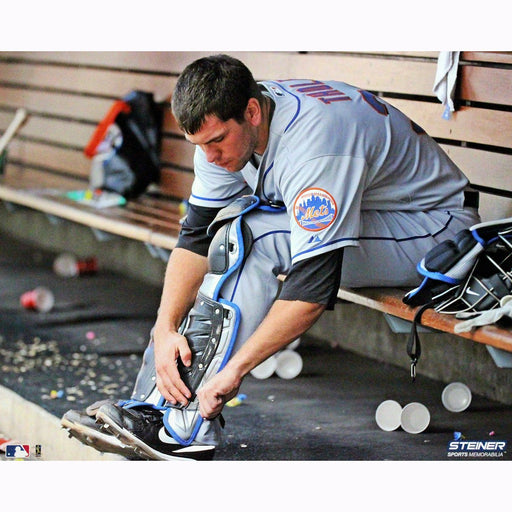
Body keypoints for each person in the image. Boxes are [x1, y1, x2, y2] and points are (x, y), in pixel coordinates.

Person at [61, 53, 481, 460]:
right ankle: (152, 407)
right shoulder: (224, 126)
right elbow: (194, 240)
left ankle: (182, 430)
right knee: (229, 234)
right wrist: (164, 327)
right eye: (198, 145)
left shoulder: (315, 145)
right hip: (380, 215)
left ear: (252, 112)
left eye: (216, 142)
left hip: (435, 230)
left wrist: (234, 371)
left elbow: (312, 289)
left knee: (253, 237)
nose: (209, 157)